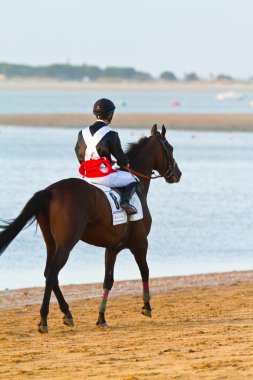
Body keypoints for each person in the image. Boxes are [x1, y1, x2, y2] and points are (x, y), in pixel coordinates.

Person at [75, 98, 138, 215]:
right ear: (110, 115)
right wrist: (124, 164)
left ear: (95, 114)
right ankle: (125, 202)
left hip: (87, 177)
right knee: (134, 179)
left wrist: (97, 163)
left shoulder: (82, 133)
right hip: (104, 176)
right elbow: (122, 160)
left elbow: (79, 155)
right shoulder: (111, 134)